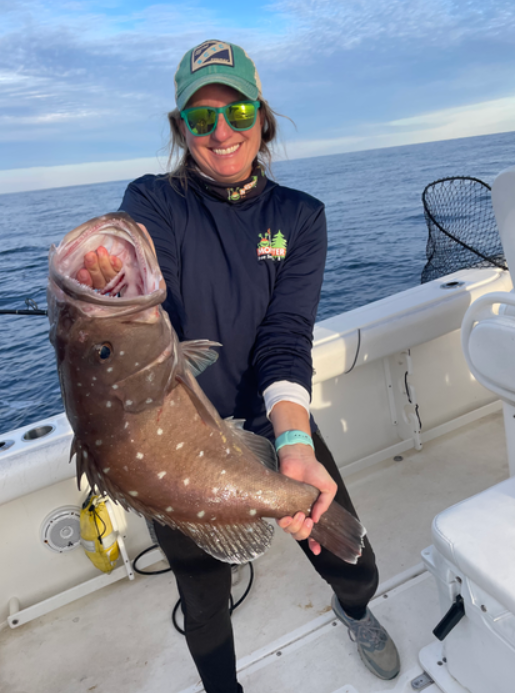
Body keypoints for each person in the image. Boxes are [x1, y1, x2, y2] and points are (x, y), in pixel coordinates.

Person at [77, 39, 400, 692]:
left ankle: (355, 607)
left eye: (237, 111)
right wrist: (102, 283)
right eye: (200, 119)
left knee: (348, 553)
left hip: (266, 413)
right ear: (181, 130)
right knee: (202, 597)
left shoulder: (299, 216)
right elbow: (141, 290)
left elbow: (285, 335)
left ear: (262, 116)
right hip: (176, 438)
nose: (221, 132)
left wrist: (290, 439)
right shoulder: (153, 202)